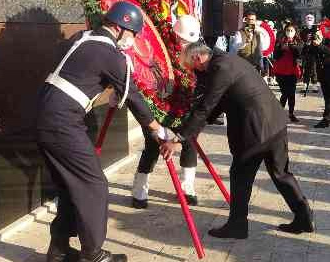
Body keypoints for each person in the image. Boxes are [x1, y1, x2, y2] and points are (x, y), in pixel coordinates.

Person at [37, 1, 179, 262]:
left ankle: (58, 250)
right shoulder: (112, 55)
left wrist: (111, 89)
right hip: (63, 122)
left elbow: (84, 72)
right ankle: (93, 254)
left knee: (70, 186)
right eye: (132, 33)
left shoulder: (82, 37)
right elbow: (134, 98)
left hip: (44, 115)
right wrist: (158, 130)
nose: (133, 40)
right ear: (119, 27)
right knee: (95, 186)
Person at [170, 43, 314, 239]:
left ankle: (237, 225)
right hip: (275, 123)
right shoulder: (229, 60)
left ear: (198, 58)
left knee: (240, 176)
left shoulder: (220, 68)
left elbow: (207, 105)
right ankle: (304, 216)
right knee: (281, 173)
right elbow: (221, 101)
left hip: (255, 130)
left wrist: (181, 137)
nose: (196, 72)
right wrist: (196, 127)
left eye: (193, 67)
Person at [131, 15, 202, 209]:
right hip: (154, 104)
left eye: (188, 41)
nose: (184, 44)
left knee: (189, 143)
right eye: (181, 39)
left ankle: (187, 187)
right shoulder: (160, 46)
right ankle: (139, 189)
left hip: (182, 107)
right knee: (153, 145)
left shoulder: (197, 54)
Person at [273, 23, 304, 123]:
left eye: (291, 31)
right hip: (280, 71)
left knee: (291, 93)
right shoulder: (280, 41)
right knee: (285, 92)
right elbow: (275, 56)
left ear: (295, 32)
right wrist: (282, 49)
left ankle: (291, 113)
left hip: (292, 71)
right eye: (288, 30)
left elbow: (299, 54)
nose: (289, 33)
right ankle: (279, 112)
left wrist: (291, 46)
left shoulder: (298, 42)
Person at [300, 14, 321, 93]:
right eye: (308, 18)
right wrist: (306, 41)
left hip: (314, 51)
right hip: (306, 52)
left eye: (311, 18)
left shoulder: (316, 29)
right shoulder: (303, 30)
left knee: (314, 68)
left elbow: (319, 39)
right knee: (306, 68)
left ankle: (314, 84)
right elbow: (301, 41)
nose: (309, 20)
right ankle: (305, 84)